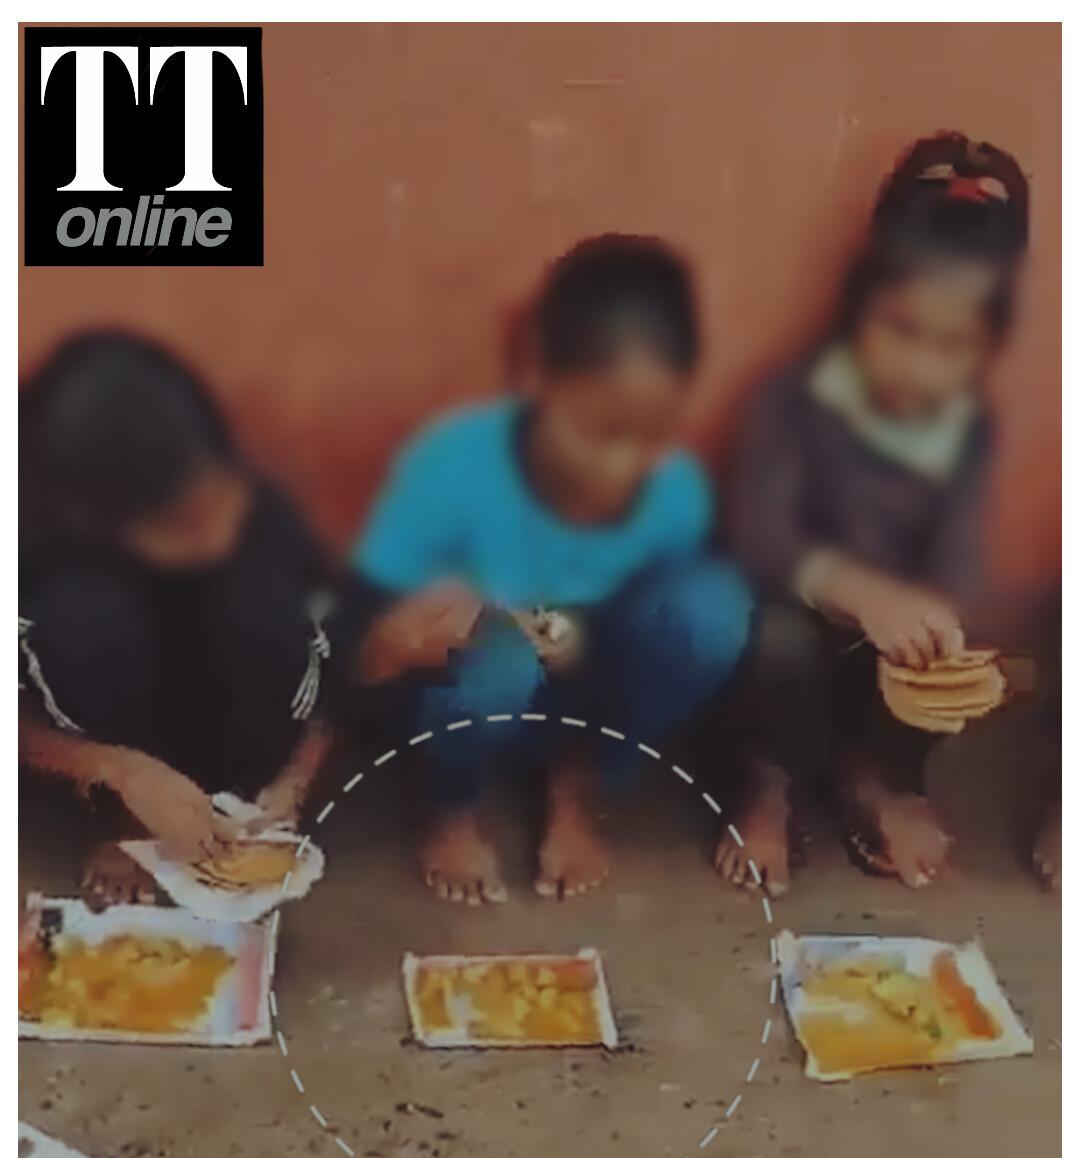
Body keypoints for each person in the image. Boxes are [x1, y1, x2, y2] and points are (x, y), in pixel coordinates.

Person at [337, 235, 753, 903]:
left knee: (715, 608)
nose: (624, 464)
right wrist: (394, 641)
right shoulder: (449, 464)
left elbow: (653, 637)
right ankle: (452, 806)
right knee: (498, 662)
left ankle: (576, 789)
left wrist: (576, 646)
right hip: (474, 691)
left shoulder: (674, 490)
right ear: (536, 380)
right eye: (600, 430)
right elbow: (355, 645)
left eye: (650, 434)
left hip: (586, 692)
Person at [718, 131, 1030, 895]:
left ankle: (876, 780)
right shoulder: (794, 398)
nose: (922, 364)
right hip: (791, 621)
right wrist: (855, 590)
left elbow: (955, 557)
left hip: (881, 656)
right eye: (902, 331)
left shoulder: (969, 431)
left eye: (953, 346)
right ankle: (768, 785)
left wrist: (927, 608)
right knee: (775, 633)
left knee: (951, 653)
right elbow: (756, 533)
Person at [19, 332, 337, 906]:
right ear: (88, 520)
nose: (216, 529)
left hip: (234, 737)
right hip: (105, 717)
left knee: (259, 597)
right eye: (180, 523)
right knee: (86, 622)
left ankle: (232, 797)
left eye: (213, 497)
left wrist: (292, 781)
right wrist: (118, 771)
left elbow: (346, 662)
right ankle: (127, 822)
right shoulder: (33, 538)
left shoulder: (251, 506)